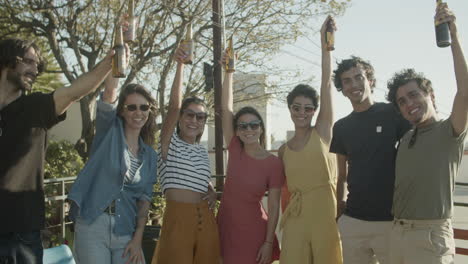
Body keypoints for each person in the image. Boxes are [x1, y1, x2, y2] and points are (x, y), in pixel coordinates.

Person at [0, 38, 113, 263]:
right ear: (7, 60)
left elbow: (75, 91)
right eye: (28, 62)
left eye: (37, 65)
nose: (35, 70)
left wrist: (110, 61)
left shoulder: (35, 108)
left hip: (20, 234)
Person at [386, 4, 467, 263]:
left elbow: (465, 92)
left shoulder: (450, 130)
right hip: (396, 233)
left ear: (430, 95)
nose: (409, 104)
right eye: (401, 101)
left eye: (413, 95)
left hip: (430, 239)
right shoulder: (406, 137)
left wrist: (454, 37)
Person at [68, 75, 158, 263]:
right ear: (122, 111)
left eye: (144, 107)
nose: (138, 112)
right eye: (131, 107)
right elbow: (109, 94)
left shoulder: (150, 156)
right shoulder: (108, 131)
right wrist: (116, 57)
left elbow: (144, 201)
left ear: (149, 111)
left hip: (125, 229)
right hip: (93, 223)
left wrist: (137, 239)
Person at [330, 55, 411, 262]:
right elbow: (341, 175)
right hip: (354, 221)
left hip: (391, 221)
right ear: (341, 87)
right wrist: (340, 213)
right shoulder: (341, 127)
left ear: (370, 81)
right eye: (346, 81)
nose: (353, 84)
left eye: (358, 77)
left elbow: (415, 152)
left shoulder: (393, 112)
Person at [278, 16, 343, 264]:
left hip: (325, 214)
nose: (302, 113)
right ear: (290, 109)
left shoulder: (323, 132)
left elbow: (326, 84)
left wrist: (325, 44)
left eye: (307, 108)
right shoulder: (283, 150)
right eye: (297, 108)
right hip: (295, 217)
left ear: (315, 111)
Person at [151, 46, 220, 264]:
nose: (194, 121)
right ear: (181, 118)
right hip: (177, 220)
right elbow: (172, 106)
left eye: (200, 117)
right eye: (190, 115)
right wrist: (180, 65)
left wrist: (211, 190)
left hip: (206, 220)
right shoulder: (168, 143)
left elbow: (200, 180)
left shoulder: (201, 149)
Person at [217, 49, 285, 264]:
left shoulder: (273, 164)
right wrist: (229, 71)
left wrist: (267, 243)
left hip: (255, 233)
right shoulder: (235, 148)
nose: (249, 129)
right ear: (236, 131)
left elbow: (274, 207)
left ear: (261, 129)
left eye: (254, 125)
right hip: (225, 227)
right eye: (243, 125)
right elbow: (225, 108)